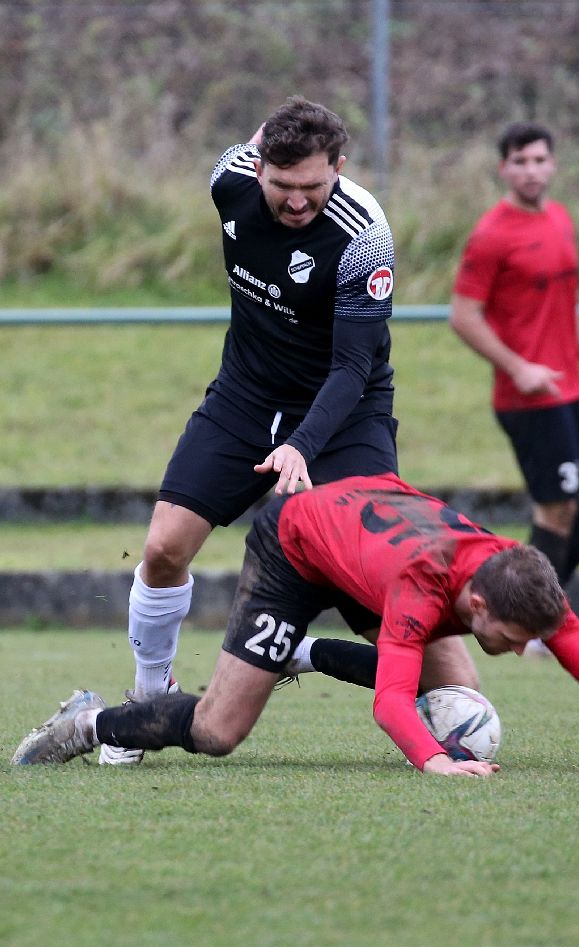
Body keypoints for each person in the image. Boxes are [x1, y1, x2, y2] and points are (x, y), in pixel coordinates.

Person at [103, 95, 477, 765]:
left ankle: (310, 655)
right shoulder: (228, 179)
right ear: (258, 170)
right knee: (162, 548)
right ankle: (147, 701)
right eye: (282, 185)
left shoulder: (364, 235)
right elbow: (247, 144)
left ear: (339, 167)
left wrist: (301, 446)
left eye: (313, 185)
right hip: (244, 398)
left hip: (345, 414)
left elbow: (353, 366)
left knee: (440, 659)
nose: (297, 201)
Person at [12, 473, 579, 779]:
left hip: (363, 546)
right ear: (477, 606)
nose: (525, 650)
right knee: (217, 732)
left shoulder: (520, 577)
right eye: (517, 638)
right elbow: (389, 704)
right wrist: (435, 762)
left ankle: (303, 653)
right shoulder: (422, 590)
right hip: (295, 550)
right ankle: (89, 724)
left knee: (456, 696)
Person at [449, 123, 579, 615]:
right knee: (557, 509)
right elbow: (463, 315)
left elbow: (564, 304)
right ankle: (530, 620)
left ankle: (539, 610)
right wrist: (518, 367)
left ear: (553, 164)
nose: (531, 170)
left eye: (539, 160)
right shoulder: (491, 234)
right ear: (503, 168)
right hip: (527, 398)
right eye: (520, 161)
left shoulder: (560, 218)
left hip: (570, 389)